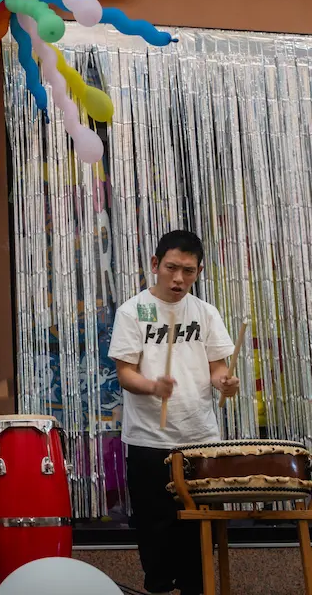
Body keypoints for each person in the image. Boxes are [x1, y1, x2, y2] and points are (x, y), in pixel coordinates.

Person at [109, 230, 238, 595]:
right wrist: (152, 386)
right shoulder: (133, 311)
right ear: (155, 265)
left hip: (200, 438)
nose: (179, 279)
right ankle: (160, 588)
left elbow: (218, 367)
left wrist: (225, 382)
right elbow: (126, 373)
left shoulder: (205, 312)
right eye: (171, 268)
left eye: (188, 271)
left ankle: (197, 589)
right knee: (154, 526)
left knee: (200, 528)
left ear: (198, 271)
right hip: (149, 438)